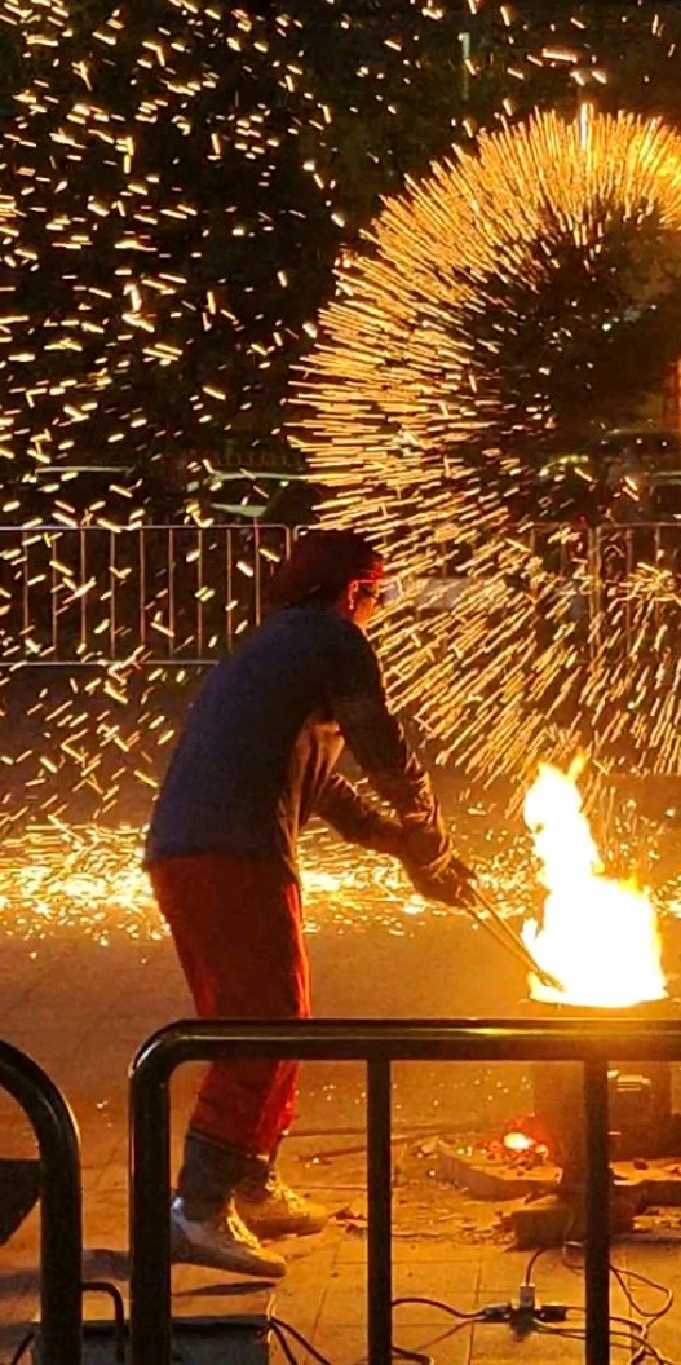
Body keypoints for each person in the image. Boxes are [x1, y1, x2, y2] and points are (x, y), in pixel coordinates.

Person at [144, 528, 474, 1278]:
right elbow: (382, 745)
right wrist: (430, 832)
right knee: (261, 1028)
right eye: (375, 598)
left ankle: (252, 1181)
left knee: (268, 1021)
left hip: (190, 853)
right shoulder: (333, 638)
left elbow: (329, 791)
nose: (376, 612)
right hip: (235, 855)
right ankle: (197, 1210)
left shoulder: (275, 649)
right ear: (355, 590)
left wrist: (406, 850)